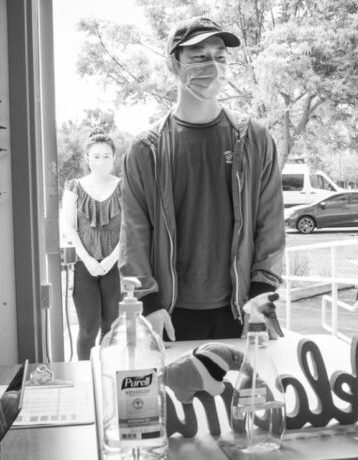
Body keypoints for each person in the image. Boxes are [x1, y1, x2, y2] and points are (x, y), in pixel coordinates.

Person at [119, 16, 285, 342]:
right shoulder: (145, 150)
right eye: (199, 57)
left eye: (220, 57)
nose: (213, 66)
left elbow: (270, 222)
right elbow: (133, 236)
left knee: (250, 392)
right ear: (174, 65)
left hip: (243, 310)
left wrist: (263, 291)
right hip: (167, 314)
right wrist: (148, 302)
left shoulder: (255, 139)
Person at [62, 133, 122, 360]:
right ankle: (86, 379)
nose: (101, 161)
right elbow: (69, 227)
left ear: (114, 157)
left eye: (106, 156)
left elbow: (129, 230)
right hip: (83, 266)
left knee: (112, 329)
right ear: (87, 158)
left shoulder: (123, 187)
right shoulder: (74, 187)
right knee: (88, 329)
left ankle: (109, 377)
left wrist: (109, 260)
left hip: (115, 266)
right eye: (96, 156)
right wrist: (88, 260)